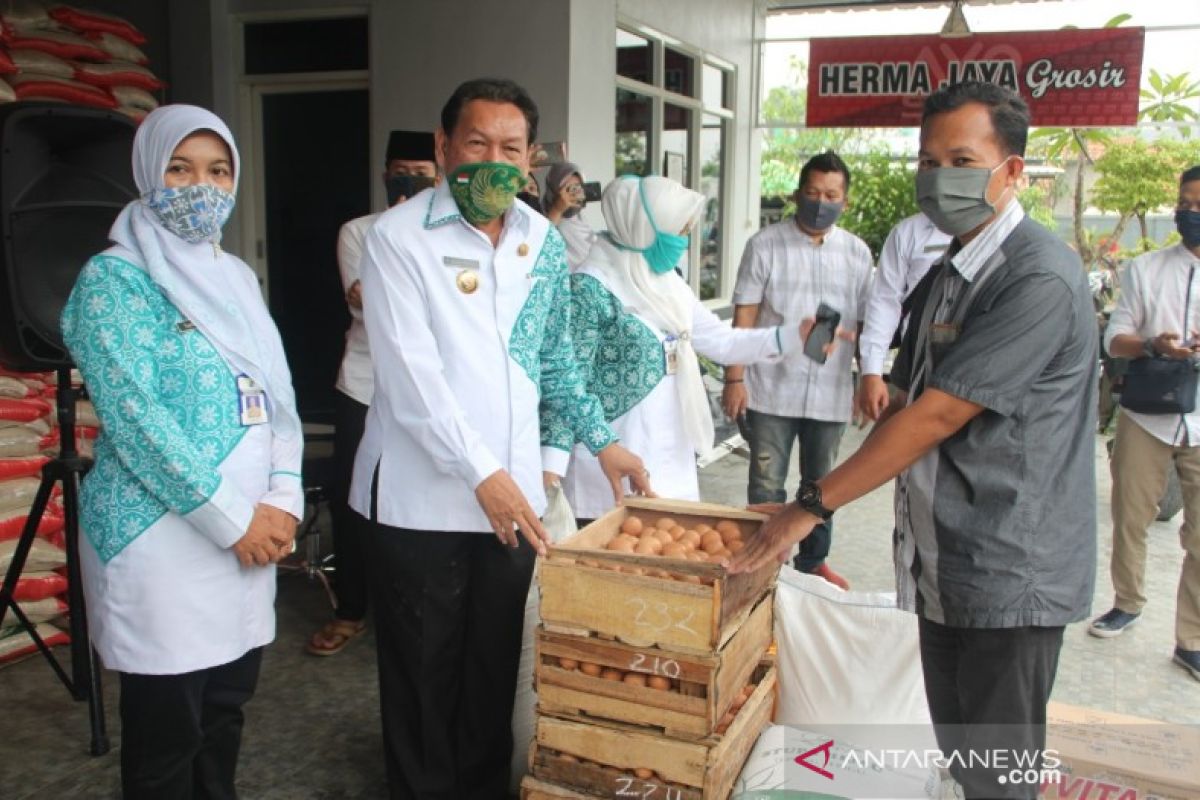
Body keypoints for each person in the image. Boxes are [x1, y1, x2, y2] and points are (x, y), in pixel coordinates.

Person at [730, 81, 1097, 800]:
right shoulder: (947, 274)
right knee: (963, 764)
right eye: (927, 161)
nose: (938, 178)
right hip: (944, 564)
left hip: (1009, 569)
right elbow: (908, 398)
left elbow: (936, 415)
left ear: (1013, 170)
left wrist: (809, 504)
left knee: (998, 778)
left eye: (961, 159)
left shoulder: (1037, 277)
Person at [348, 77, 650, 798]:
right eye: (475, 144)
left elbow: (551, 353)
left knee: (489, 671)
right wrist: (482, 472)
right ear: (442, 147)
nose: (492, 161)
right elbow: (410, 379)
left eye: (509, 149)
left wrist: (602, 440)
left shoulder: (538, 238)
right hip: (422, 506)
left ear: (531, 158)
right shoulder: (396, 241)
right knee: (424, 679)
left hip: (509, 506)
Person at [60, 105, 303, 799]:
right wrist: (237, 522)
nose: (202, 186)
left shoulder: (235, 279)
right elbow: (137, 422)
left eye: (218, 171)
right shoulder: (113, 282)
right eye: (180, 168)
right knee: (168, 736)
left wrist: (282, 502)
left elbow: (278, 399)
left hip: (253, 535)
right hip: (163, 541)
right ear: (147, 173)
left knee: (225, 711)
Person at [545, 175, 806, 520]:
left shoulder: (667, 284)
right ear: (644, 227)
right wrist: (551, 467)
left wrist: (794, 336)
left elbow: (723, 342)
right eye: (677, 230)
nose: (683, 241)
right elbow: (566, 383)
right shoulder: (589, 287)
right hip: (608, 469)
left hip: (671, 458)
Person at [306, 130, 437, 657]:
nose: (408, 181)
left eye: (422, 174)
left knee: (423, 495)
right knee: (351, 496)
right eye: (399, 171)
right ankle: (351, 608)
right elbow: (367, 308)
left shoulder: (451, 235)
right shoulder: (359, 232)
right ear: (384, 174)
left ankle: (414, 606)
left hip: (426, 389)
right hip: (363, 383)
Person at [721, 150, 873, 589]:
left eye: (831, 195)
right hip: (770, 388)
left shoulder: (857, 254)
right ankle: (763, 567)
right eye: (812, 192)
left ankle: (811, 565)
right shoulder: (765, 245)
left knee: (822, 485)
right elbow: (745, 317)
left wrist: (868, 379)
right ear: (796, 194)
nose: (820, 202)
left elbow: (865, 326)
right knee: (766, 484)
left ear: (845, 200)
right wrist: (734, 378)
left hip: (829, 393)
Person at [1093, 164, 1200, 682]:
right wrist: (1155, 343)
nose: (1190, 213)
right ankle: (1127, 602)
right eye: (1185, 203)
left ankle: (1192, 638)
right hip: (1147, 414)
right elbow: (1115, 339)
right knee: (1130, 517)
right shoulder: (1147, 269)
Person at [855, 212, 951, 422]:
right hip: (915, 361)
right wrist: (872, 372)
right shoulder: (908, 233)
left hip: (970, 363)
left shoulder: (1003, 234)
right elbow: (884, 301)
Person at [542, 161, 597, 268]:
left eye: (577, 188)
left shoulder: (579, 218)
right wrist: (557, 210)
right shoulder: (541, 220)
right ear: (553, 191)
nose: (574, 194)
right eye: (568, 189)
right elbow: (540, 247)